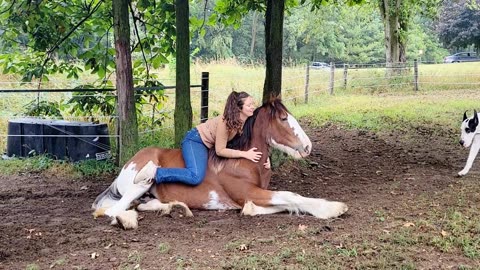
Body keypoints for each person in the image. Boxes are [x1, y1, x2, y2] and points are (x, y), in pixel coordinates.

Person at [136, 91, 268, 186]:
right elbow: (220, 150)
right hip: (196, 140)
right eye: (249, 105)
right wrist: (244, 154)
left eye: (253, 104)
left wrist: (265, 158)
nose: (253, 107)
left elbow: (252, 141)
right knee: (195, 176)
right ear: (240, 108)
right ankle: (155, 172)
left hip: (209, 144)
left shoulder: (247, 120)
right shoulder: (225, 123)